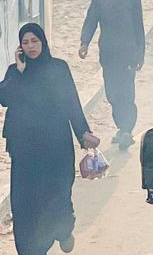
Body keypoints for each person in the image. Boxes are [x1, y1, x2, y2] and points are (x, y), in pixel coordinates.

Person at [1, 23, 100, 255]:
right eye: (25, 42)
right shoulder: (15, 72)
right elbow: (4, 98)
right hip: (25, 151)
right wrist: (20, 72)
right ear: (20, 47)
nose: (30, 46)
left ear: (43, 41)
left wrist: (83, 132)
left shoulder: (59, 68)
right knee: (26, 204)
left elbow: (71, 103)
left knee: (57, 196)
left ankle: (63, 230)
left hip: (56, 148)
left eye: (34, 41)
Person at [79, 0, 144, 150]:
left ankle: (126, 129)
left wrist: (140, 55)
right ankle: (121, 126)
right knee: (112, 93)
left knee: (127, 92)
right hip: (108, 53)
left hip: (128, 53)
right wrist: (84, 43)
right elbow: (91, 19)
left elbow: (139, 26)